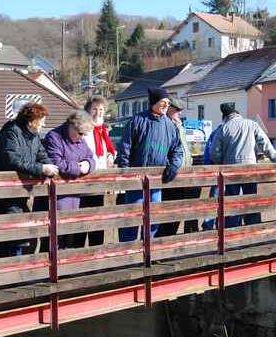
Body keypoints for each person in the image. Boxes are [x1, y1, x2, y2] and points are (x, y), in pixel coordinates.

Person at [0, 102, 59, 258]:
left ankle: (15, 271)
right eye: (42, 121)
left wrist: (50, 169)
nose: (44, 125)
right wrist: (41, 169)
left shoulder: (34, 136)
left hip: (18, 194)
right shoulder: (11, 131)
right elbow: (12, 160)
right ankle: (9, 274)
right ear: (31, 120)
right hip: (1, 194)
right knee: (9, 237)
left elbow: (43, 156)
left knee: (18, 234)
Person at [117, 87, 184, 242]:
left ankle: (149, 251)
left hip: (157, 181)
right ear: (154, 102)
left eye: (167, 103)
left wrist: (174, 165)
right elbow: (125, 148)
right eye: (163, 102)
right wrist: (127, 172)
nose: (166, 105)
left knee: (153, 219)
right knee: (132, 219)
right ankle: (129, 254)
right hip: (136, 180)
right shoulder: (137, 121)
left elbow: (177, 150)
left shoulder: (169, 125)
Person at [210, 103, 276, 228]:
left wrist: (221, 163)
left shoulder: (223, 128)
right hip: (250, 170)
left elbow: (214, 153)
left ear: (225, 116)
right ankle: (253, 228)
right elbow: (264, 143)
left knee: (232, 201)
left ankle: (232, 230)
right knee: (251, 200)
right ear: (237, 114)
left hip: (230, 171)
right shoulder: (251, 124)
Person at [43, 110, 96, 249]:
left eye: (84, 134)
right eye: (80, 133)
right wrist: (78, 168)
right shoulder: (54, 137)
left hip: (73, 196)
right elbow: (57, 163)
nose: (82, 137)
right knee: (53, 238)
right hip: (55, 197)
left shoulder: (79, 140)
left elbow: (91, 157)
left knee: (68, 238)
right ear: (72, 126)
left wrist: (88, 165)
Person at [157, 96, 199, 237]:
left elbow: (183, 149)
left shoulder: (178, 125)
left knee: (177, 215)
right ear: (169, 109)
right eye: (177, 110)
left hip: (183, 174)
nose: (180, 113)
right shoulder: (165, 125)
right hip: (171, 174)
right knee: (169, 217)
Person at [80, 96, 116, 247]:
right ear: (88, 111)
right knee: (81, 222)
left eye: (101, 110)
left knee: (98, 221)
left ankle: (96, 252)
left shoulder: (102, 131)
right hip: (83, 182)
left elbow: (109, 150)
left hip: (99, 182)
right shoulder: (83, 129)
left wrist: (109, 155)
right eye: (94, 109)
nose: (98, 113)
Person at [201, 124, 222, 231]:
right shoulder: (220, 131)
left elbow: (208, 152)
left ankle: (208, 225)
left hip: (217, 170)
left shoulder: (216, 131)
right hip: (225, 171)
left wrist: (209, 166)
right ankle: (212, 224)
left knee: (215, 198)